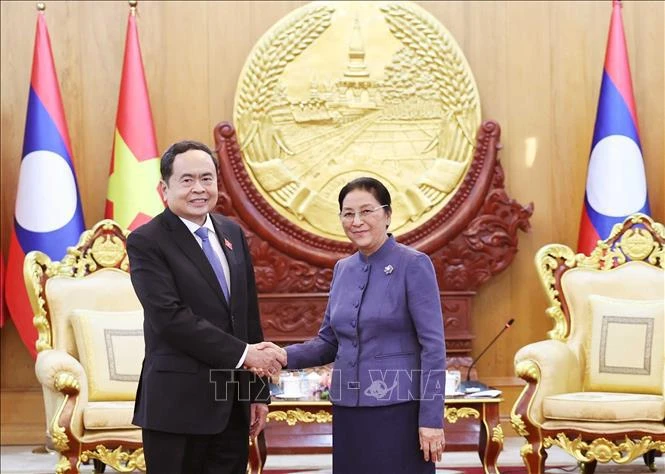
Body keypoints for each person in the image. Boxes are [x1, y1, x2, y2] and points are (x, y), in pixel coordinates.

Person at [126, 140, 286, 474]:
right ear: (164, 188)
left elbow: (246, 317)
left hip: (231, 408)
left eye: (207, 178)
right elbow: (170, 318)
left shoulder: (231, 232)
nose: (199, 188)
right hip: (177, 407)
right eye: (187, 180)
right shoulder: (147, 241)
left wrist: (257, 392)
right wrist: (245, 355)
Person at [285, 176, 447, 473]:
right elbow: (328, 342)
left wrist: (431, 419)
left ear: (387, 215)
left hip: (399, 411)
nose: (356, 221)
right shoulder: (343, 269)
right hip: (349, 411)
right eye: (348, 214)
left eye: (366, 211)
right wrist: (281, 356)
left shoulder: (414, 264)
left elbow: (433, 348)